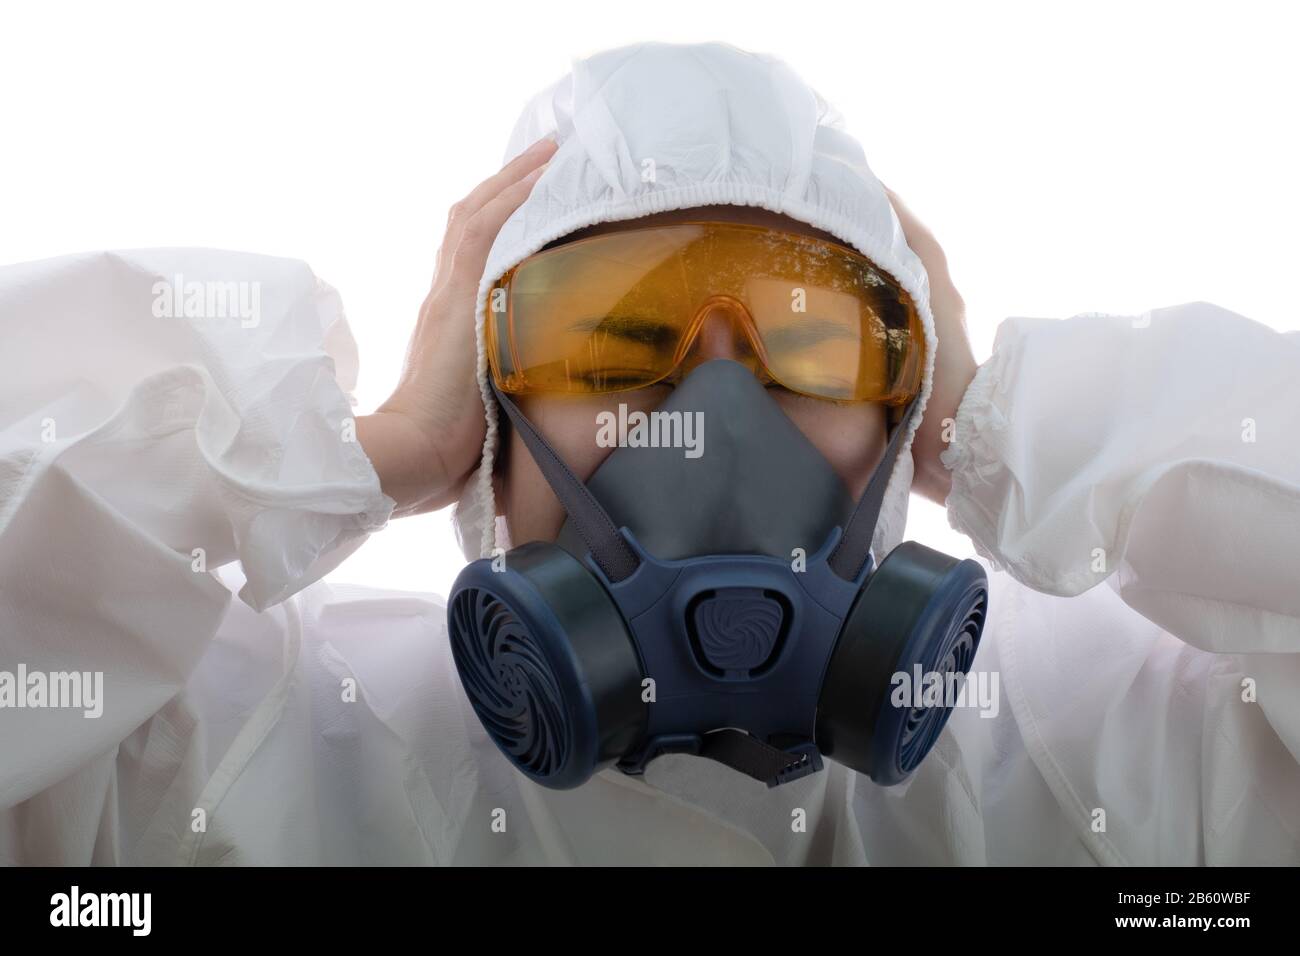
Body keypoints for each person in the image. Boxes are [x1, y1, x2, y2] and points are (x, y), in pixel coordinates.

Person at [1, 41, 1297, 865]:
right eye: (612, 349)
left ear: (908, 420)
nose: (712, 418)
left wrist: (1017, 426)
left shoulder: (1119, 751)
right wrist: (365, 452)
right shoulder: (236, 747)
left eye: (808, 348)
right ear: (486, 420)